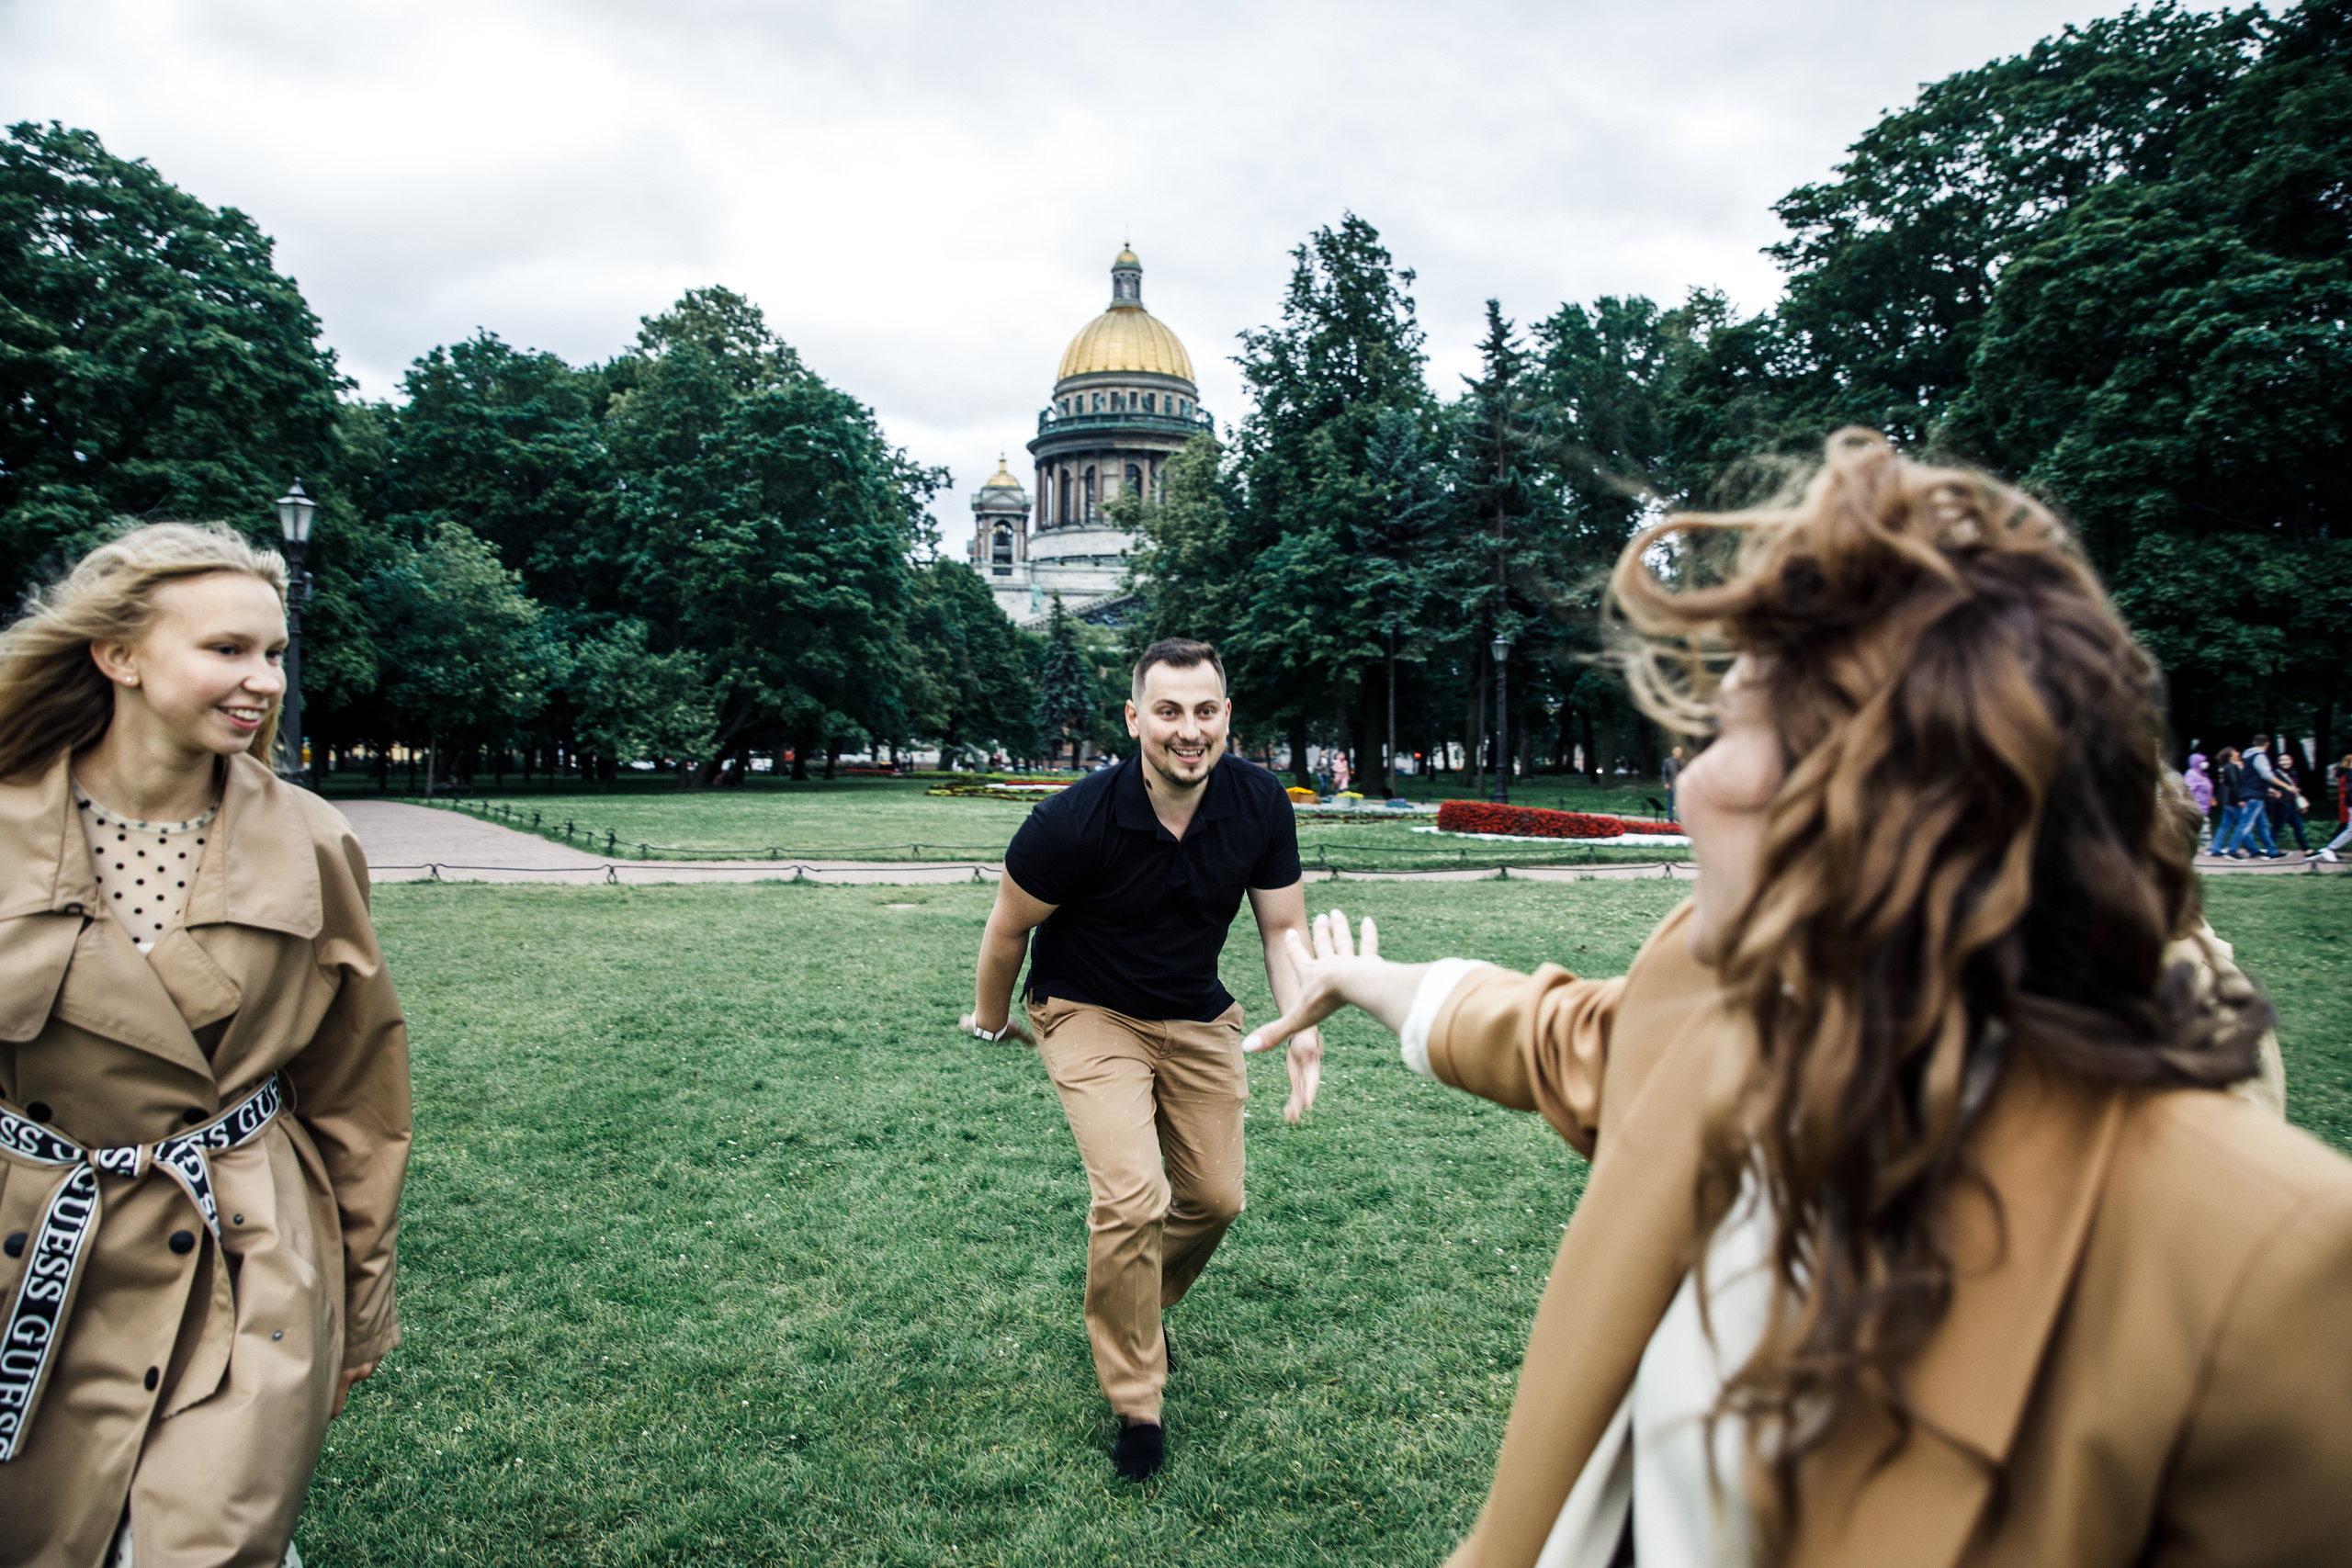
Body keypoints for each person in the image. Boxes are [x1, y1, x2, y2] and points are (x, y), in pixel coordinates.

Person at [1246, 432, 2352, 1566]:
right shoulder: (1722, 987)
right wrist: (1358, 977)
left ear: (1901, 794)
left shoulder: (2270, 1271)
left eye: (1735, 729)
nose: (1690, 787)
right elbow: (1542, 1035)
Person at [0, 525, 411, 1568]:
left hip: (245, 1248)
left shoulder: (312, 839)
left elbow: (357, 1090)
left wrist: (360, 1305)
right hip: (30, 1243)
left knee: (207, 1545)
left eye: (274, 653)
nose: (264, 681)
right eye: (228, 650)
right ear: (119, 655)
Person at [958, 638, 1317, 1482]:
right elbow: (1009, 928)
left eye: (1204, 710)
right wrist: (989, 1019)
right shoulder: (1071, 820)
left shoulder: (1260, 802)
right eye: (1168, 711)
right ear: (1135, 718)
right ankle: (1137, 1400)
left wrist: (1303, 1019)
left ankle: (1134, 1310)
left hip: (1196, 1013)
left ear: (1227, 716)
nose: (1187, 730)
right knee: (1133, 1195)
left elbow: (1281, 930)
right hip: (1086, 1007)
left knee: (1215, 1198)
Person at [2267, 745, 2313, 857]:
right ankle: (2270, 850)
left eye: (2287, 759)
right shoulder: (2275, 774)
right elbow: (2269, 788)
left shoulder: (2293, 773)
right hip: (2281, 805)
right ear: (2278, 762)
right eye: (2282, 760)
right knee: (2277, 828)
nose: (2285, 762)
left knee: (2298, 826)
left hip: (2291, 805)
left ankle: (2307, 849)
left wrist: (2301, 804)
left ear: (2291, 761)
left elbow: (2294, 790)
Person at [1661, 744, 1686, 821]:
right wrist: (1666, 783)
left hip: (1680, 785)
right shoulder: (1668, 761)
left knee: (1680, 801)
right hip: (1671, 785)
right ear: (1673, 752)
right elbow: (1664, 773)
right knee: (1671, 802)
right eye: (1677, 751)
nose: (1679, 752)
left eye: (1680, 751)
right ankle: (1670, 818)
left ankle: (1679, 818)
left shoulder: (1682, 762)